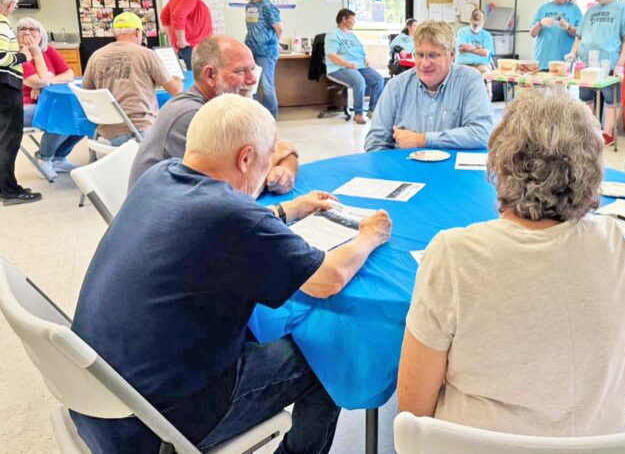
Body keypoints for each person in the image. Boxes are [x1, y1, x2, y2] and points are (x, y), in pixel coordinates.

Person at [70, 93, 392, 453]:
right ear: (246, 158)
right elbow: (328, 278)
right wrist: (369, 236)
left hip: (101, 394)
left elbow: (229, 225)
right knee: (330, 353)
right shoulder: (231, 216)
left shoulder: (159, 176)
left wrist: (291, 209)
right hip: (160, 422)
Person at [397, 87, 625, 436]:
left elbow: (413, 408)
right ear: (592, 169)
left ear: (502, 165)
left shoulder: (453, 253)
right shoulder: (614, 241)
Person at [129, 35, 299, 193]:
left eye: (252, 70)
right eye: (241, 71)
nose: (253, 79)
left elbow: (271, 153)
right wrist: (282, 153)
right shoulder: (193, 116)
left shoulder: (224, 112)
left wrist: (286, 169)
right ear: (210, 75)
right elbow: (235, 190)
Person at [364, 19, 493, 152]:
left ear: (452, 55)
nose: (425, 64)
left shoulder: (470, 81)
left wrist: (423, 140)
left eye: (433, 56)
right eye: (420, 55)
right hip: (406, 168)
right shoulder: (396, 87)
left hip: (451, 170)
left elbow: (482, 134)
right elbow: (375, 144)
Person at [82, 12, 183, 146]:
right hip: (141, 131)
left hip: (107, 133)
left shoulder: (96, 56)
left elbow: (87, 90)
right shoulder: (146, 54)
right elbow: (176, 91)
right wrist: (178, 79)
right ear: (137, 32)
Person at [566, 0, 625, 147]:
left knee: (612, 99)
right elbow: (579, 37)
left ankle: (607, 133)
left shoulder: (622, 8)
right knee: (586, 98)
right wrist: (572, 53)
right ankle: (589, 132)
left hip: (609, 63)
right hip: (587, 64)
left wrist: (620, 64)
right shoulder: (590, 10)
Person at [18, 17, 78, 180]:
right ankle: (43, 157)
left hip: (45, 104)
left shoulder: (49, 51)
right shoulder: (17, 56)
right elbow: (37, 80)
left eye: (33, 29)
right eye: (23, 29)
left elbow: (69, 74)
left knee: (82, 115)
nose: (28, 32)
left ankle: (59, 157)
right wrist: (36, 54)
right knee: (61, 115)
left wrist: (48, 81)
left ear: (41, 34)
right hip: (21, 109)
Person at [0, 0, 41, 205]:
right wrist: (24, 55)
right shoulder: (3, 24)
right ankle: (10, 191)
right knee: (9, 138)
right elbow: (1, 57)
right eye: (15, 3)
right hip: (5, 85)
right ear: (8, 4)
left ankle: (5, 186)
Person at [325, 8, 384, 124]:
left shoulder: (352, 35)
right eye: (352, 19)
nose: (354, 22)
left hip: (359, 66)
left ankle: (372, 110)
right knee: (359, 81)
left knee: (379, 79)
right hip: (339, 67)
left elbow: (360, 50)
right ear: (344, 19)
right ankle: (358, 113)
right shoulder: (333, 35)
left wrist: (365, 59)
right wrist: (348, 64)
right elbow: (331, 55)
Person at [240, 0, 283, 120]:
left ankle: (271, 117)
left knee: (267, 85)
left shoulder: (267, 6)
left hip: (266, 53)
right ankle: (255, 116)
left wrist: (275, 42)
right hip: (251, 51)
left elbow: (279, 29)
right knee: (251, 84)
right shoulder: (249, 6)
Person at [160, 0, 213, 71]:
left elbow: (164, 16)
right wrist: (181, 40)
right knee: (197, 80)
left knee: (193, 78)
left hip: (189, 47)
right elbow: (178, 15)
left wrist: (174, 38)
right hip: (192, 47)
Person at [530, 0, 582, 70]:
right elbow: (532, 33)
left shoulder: (574, 10)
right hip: (543, 61)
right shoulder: (543, 8)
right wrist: (540, 23)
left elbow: (581, 34)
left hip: (564, 63)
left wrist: (568, 27)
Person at [455, 9, 495, 74]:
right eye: (475, 24)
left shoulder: (487, 35)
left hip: (482, 64)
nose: (477, 26)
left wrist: (469, 49)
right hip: (464, 63)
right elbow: (462, 48)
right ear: (470, 20)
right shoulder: (462, 32)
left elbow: (485, 53)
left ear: (483, 22)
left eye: (479, 24)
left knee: (486, 74)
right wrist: (479, 47)